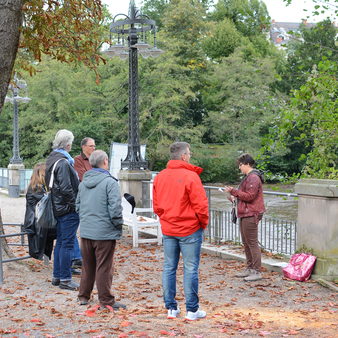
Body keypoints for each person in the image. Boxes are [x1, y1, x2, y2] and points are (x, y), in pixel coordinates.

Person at [153, 142, 209, 321]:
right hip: (189, 229)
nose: (190, 156)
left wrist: (166, 219)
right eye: (189, 153)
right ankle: (192, 310)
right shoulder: (191, 176)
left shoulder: (160, 176)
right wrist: (202, 223)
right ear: (184, 156)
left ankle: (171, 308)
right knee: (190, 268)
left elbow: (157, 205)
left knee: (169, 267)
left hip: (169, 228)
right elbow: (200, 205)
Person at [76, 150, 125, 310]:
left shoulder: (83, 183)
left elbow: (78, 206)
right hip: (104, 232)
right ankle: (106, 300)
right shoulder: (110, 182)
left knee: (88, 265)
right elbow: (115, 208)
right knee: (104, 266)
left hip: (87, 230)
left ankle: (83, 296)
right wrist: (118, 225)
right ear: (105, 162)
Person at [45, 129, 80, 290]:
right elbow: (67, 189)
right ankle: (65, 279)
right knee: (66, 244)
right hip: (67, 209)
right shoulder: (64, 162)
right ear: (68, 144)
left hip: (57, 207)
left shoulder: (52, 159)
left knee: (60, 243)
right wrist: (76, 206)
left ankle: (57, 276)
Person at [223, 153, 266, 282]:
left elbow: (250, 196)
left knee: (252, 243)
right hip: (245, 213)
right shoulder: (249, 177)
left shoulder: (253, 178)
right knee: (246, 243)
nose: (239, 168)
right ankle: (250, 268)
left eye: (241, 165)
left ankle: (256, 271)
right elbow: (246, 196)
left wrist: (233, 192)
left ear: (247, 164)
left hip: (251, 214)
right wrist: (233, 198)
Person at [23, 162, 56, 260]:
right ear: (41, 174)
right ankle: (41, 262)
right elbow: (48, 201)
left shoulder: (40, 187)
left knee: (47, 242)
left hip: (41, 221)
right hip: (36, 221)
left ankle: (45, 261)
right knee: (39, 246)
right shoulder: (36, 188)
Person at [72, 137, 96, 269]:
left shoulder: (96, 159)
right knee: (78, 229)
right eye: (91, 146)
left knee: (92, 229)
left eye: (94, 146)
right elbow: (83, 178)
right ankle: (77, 257)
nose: (94, 148)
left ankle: (86, 257)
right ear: (84, 147)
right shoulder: (78, 160)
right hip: (83, 199)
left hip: (95, 199)